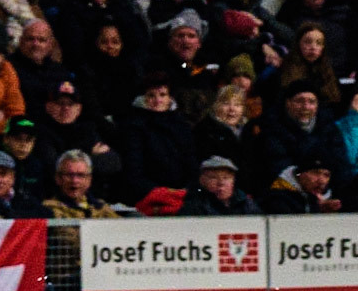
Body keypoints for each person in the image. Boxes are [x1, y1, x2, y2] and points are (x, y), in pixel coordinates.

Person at [119, 74, 197, 202]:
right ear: (143, 98)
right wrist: (161, 193)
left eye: (162, 95)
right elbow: (134, 170)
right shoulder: (134, 127)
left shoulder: (182, 126)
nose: (157, 100)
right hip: (147, 197)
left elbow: (191, 162)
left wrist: (187, 190)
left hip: (183, 195)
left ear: (169, 98)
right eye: (151, 95)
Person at [43, 148, 119, 217]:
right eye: (69, 175)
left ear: (89, 180)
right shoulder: (47, 209)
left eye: (80, 175)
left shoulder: (101, 207)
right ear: (58, 178)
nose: (75, 180)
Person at [261, 149, 340, 214]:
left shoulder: (318, 200)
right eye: (315, 173)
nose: (321, 180)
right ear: (300, 174)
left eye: (326, 175)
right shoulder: (277, 198)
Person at [179, 154, 258, 215]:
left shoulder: (246, 203)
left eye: (226, 178)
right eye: (214, 178)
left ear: (233, 181)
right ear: (202, 180)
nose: (221, 183)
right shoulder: (194, 205)